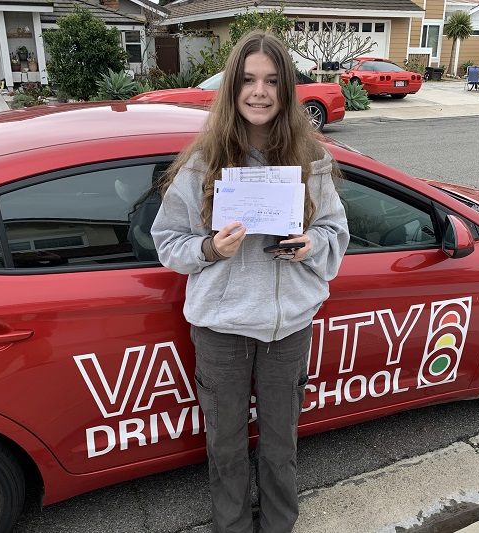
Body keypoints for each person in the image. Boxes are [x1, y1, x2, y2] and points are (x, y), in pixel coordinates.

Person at [151, 30, 349, 533]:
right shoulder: (202, 163)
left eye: (272, 81)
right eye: (247, 80)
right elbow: (167, 240)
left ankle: (280, 524)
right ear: (231, 89)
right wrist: (209, 249)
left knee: (281, 444)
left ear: (286, 91)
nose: (259, 92)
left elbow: (335, 231)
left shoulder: (313, 160)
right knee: (225, 445)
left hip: (288, 328)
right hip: (222, 328)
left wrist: (312, 245)